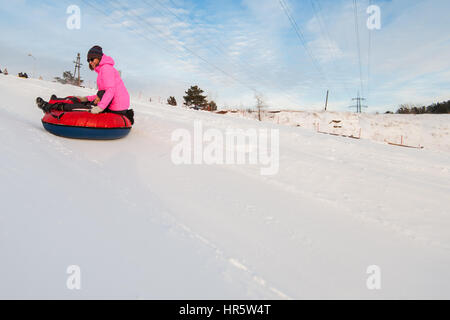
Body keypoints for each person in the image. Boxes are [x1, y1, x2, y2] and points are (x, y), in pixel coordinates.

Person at [76, 45, 130, 114]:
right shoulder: (102, 70)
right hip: (114, 103)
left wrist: (100, 107)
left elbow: (110, 90)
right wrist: (86, 98)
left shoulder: (106, 68)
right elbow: (102, 94)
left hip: (117, 106)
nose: (90, 62)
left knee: (89, 110)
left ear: (98, 57)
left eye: (92, 59)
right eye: (88, 60)